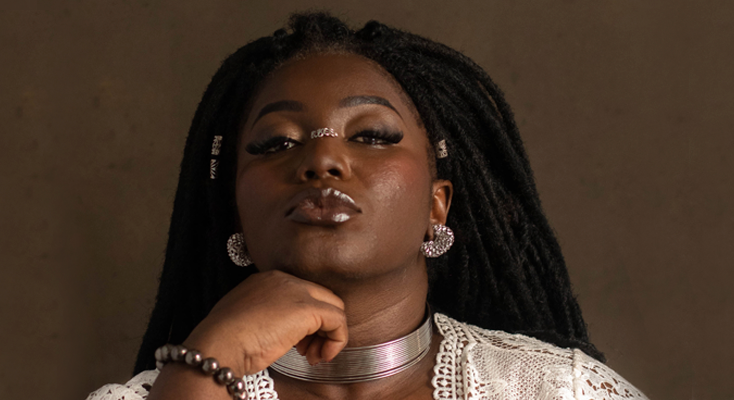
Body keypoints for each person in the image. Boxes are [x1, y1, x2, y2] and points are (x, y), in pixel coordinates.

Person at [87, 13, 647, 400]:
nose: (322, 160)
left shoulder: (559, 390)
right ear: (235, 215)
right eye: (276, 143)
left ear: (437, 207)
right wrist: (208, 360)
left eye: (372, 135)